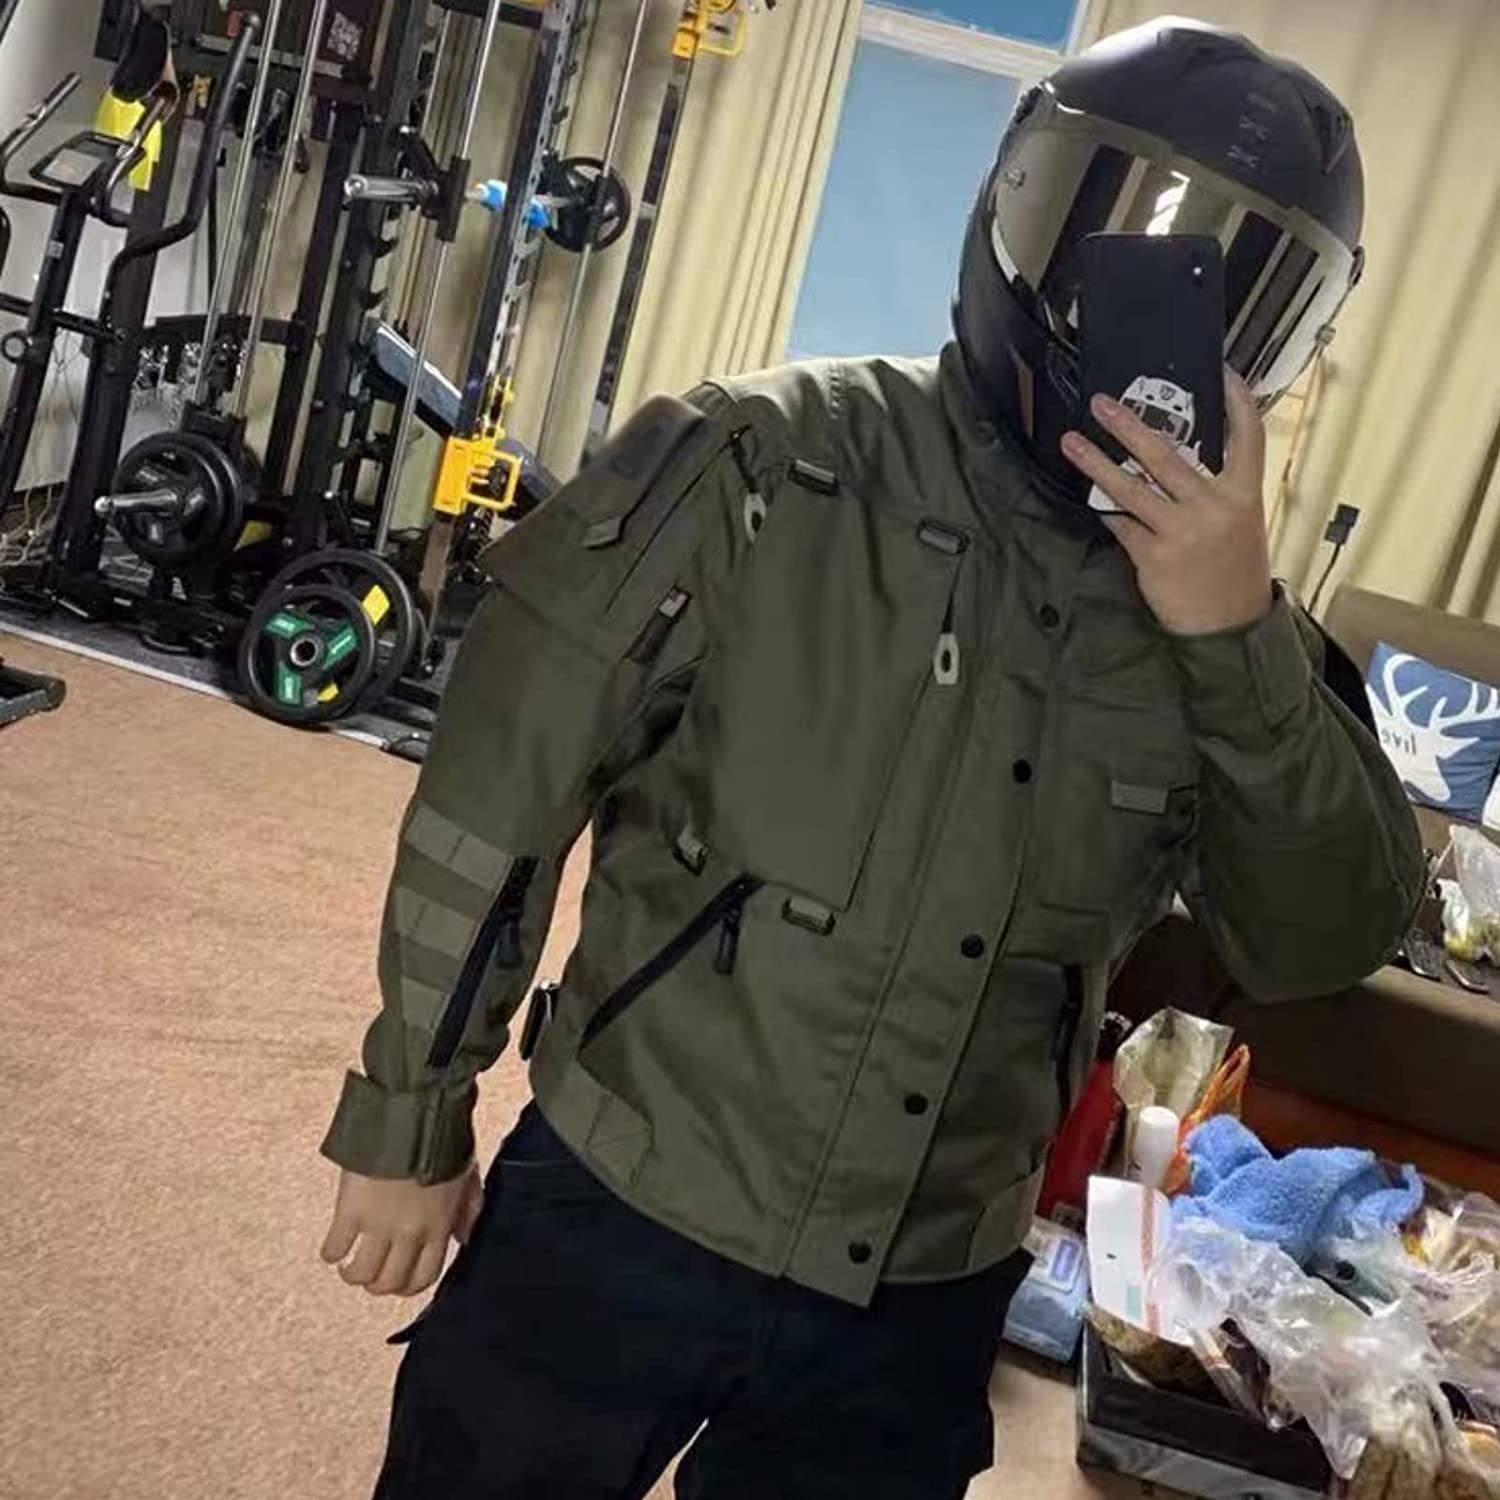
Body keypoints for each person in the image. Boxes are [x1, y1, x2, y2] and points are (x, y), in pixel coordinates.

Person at [319, 17, 1423, 1499]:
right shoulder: (756, 460)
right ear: (1025, 209)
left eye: (1246, 290)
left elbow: (1322, 940)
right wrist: (408, 1112)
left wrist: (1237, 639)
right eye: (1136, 249)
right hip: (630, 1196)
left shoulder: (1233, 631)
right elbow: (497, 791)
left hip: (924, 1288)